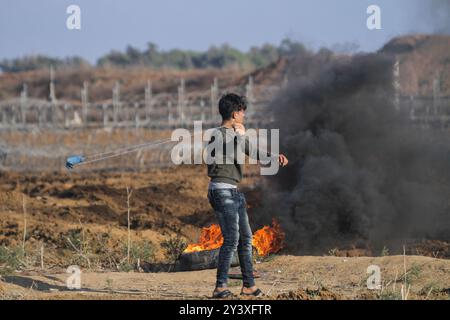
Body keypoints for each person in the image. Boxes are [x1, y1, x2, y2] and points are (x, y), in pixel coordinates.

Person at [206, 93, 288, 298]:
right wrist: (239, 136)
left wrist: (273, 158)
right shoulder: (218, 135)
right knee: (232, 239)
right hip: (221, 191)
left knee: (246, 238)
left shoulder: (235, 135)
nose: (244, 115)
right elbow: (224, 151)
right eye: (242, 112)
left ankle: (248, 286)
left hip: (233, 191)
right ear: (235, 113)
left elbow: (253, 151)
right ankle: (220, 287)